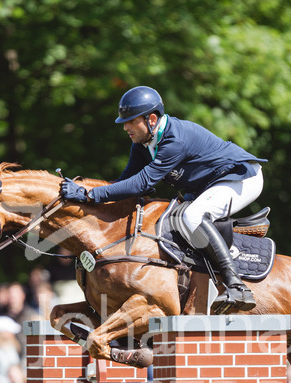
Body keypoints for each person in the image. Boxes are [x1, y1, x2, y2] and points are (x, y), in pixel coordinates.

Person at [59, 85, 266, 313]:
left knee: (192, 217)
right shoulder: (142, 143)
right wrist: (86, 196)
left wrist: (89, 194)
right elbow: (125, 181)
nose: (126, 127)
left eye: (131, 121)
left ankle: (236, 286)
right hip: (208, 184)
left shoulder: (175, 140)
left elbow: (142, 183)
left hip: (241, 177)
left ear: (152, 119)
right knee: (173, 221)